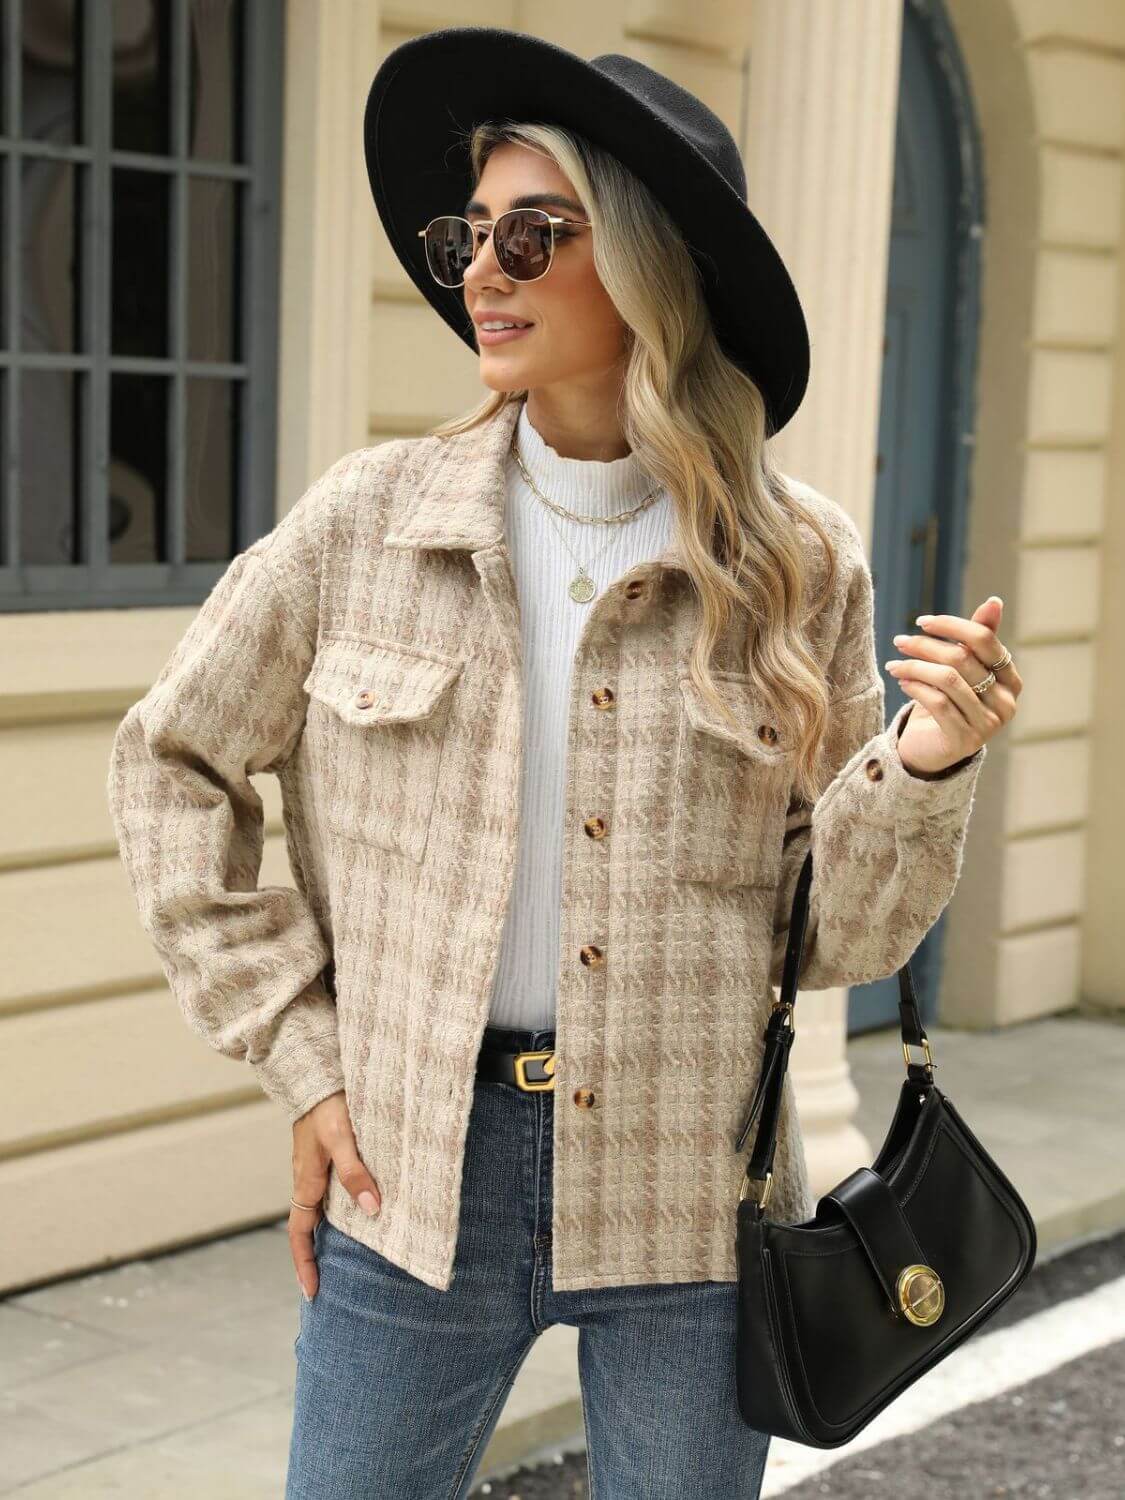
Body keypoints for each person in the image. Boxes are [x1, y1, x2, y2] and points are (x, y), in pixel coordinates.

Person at [106, 26, 1020, 1500]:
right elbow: (169, 766)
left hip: (692, 1192)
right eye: (473, 233)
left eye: (536, 235)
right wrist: (304, 1056)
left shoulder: (796, 563)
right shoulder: (363, 524)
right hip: (411, 1176)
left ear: (654, 266)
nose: (482, 269)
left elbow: (839, 935)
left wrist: (920, 763)